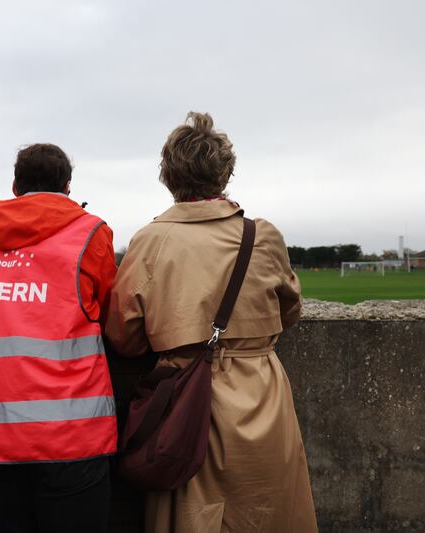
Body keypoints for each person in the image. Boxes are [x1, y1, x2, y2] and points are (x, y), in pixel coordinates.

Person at [105, 112, 317, 532]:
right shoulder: (262, 235)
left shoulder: (150, 240)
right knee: (268, 508)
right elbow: (289, 311)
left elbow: (124, 336)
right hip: (262, 391)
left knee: (192, 515)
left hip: (186, 400)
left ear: (168, 175)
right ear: (224, 173)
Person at [0, 143, 119, 533]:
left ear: (15, 186)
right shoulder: (90, 232)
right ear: (67, 186)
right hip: (72, 436)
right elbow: (114, 308)